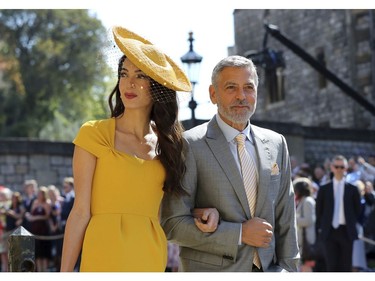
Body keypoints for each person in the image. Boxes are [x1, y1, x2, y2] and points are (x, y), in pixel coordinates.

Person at [60, 26, 216, 272]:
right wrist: (65, 274)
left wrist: (200, 212)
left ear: (157, 87)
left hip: (149, 254)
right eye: (124, 73)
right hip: (103, 253)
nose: (129, 83)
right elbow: (80, 212)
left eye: (141, 76)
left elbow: (168, 207)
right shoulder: (94, 133)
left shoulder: (170, 145)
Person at [161, 55, 299, 272]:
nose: (241, 96)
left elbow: (286, 219)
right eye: (231, 87)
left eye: (248, 87)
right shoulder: (189, 145)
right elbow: (173, 224)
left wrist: (289, 270)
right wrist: (240, 234)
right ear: (213, 94)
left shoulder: (277, 143)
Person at [315, 155, 361, 272]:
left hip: (346, 231)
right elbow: (319, 211)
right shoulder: (324, 188)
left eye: (342, 167)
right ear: (332, 168)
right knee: (331, 266)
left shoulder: (353, 189)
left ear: (346, 168)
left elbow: (358, 210)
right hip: (329, 231)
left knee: (346, 265)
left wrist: (354, 225)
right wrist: (319, 230)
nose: (339, 169)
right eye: (336, 167)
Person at [293, 177, 316, 272]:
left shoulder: (307, 201)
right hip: (303, 242)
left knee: (307, 268)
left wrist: (292, 219)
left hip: (307, 242)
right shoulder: (302, 201)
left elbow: (308, 220)